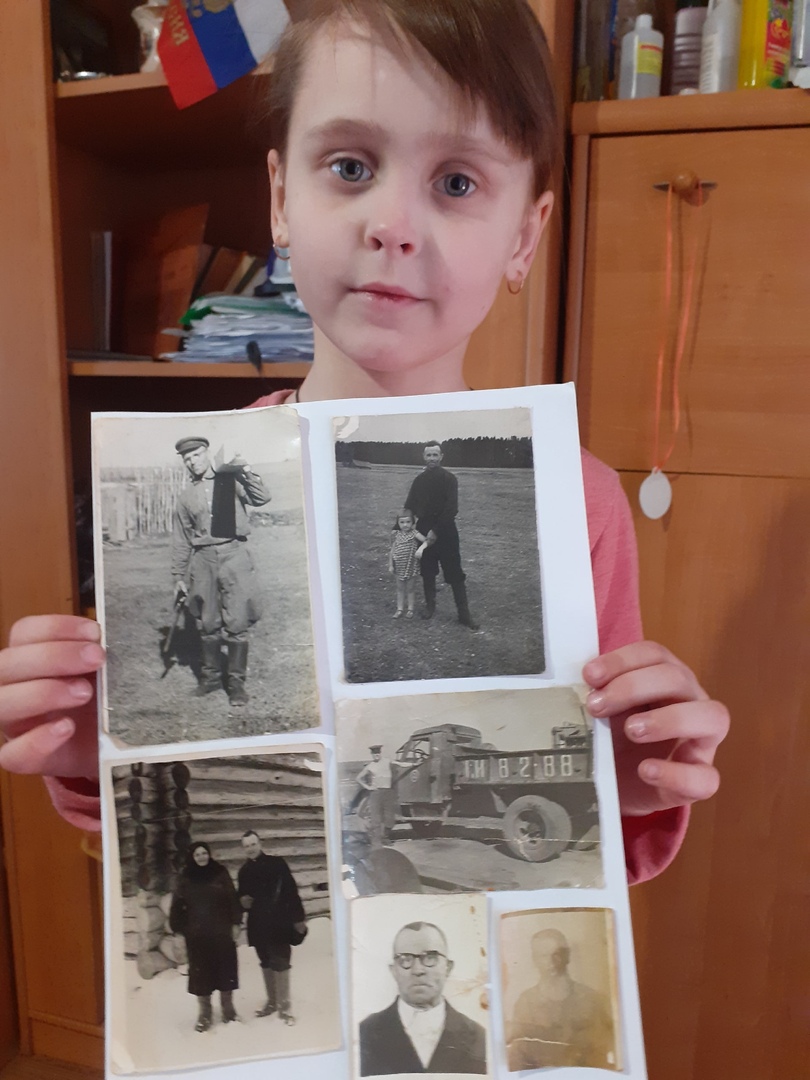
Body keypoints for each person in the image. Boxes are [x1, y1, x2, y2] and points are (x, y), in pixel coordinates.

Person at [0, 0, 729, 889]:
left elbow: (583, 836)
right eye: (350, 166)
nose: (392, 223)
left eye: (456, 183)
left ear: (524, 238)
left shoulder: (578, 499)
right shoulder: (205, 468)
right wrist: (98, 746)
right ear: (280, 198)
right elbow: (170, 831)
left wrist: (631, 776)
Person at [172, 436, 271, 707]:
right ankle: (211, 679)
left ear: (207, 453)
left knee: (237, 621)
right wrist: (178, 576)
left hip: (234, 554)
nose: (192, 462)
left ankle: (236, 684)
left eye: (196, 455)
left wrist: (246, 470)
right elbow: (182, 539)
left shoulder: (229, 480)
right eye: (187, 459)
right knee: (208, 623)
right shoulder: (186, 497)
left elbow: (262, 498)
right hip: (203, 560)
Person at [359, 920, 486, 1075]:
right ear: (394, 971)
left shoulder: (479, 1038)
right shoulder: (364, 1034)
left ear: (448, 967)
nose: (418, 970)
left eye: (430, 957)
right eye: (405, 959)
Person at [506, 928, 615, 1070]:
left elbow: (605, 1049)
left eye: (556, 954)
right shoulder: (526, 1003)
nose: (551, 962)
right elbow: (519, 1055)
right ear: (534, 960)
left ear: (567, 956)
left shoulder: (592, 1000)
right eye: (543, 956)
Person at [168, 841, 242, 1033]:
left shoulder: (220, 872)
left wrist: (236, 922)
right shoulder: (185, 877)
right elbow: (177, 905)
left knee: (226, 971)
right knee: (201, 975)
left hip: (221, 933)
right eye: (197, 854)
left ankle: (228, 1010)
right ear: (192, 857)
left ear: (209, 854)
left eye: (204, 853)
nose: (202, 857)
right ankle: (205, 1014)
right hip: (197, 936)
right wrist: (178, 929)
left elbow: (232, 898)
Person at [404, 442, 478, 629]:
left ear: (441, 457)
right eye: (428, 455)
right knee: (427, 570)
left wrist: (435, 531)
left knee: (455, 573)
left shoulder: (449, 479)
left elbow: (451, 509)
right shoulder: (419, 481)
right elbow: (409, 506)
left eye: (435, 455)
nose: (432, 459)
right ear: (424, 457)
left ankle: (464, 614)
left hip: (446, 532)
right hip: (423, 531)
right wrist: (402, 529)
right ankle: (430, 607)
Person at [237, 830, 306, 1026]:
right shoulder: (244, 872)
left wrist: (298, 918)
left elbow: (291, 891)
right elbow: (241, 897)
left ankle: (284, 1008)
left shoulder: (277, 864)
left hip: (279, 921)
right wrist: (242, 901)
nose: (250, 849)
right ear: (243, 849)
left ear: (260, 844)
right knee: (266, 962)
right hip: (258, 924)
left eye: (253, 844)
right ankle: (272, 1002)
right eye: (246, 846)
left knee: (281, 962)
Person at [356, 744, 399, 847]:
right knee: (376, 818)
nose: (376, 755)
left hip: (388, 792)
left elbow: (401, 764)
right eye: (374, 753)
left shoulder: (387, 761)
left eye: (378, 753)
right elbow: (358, 778)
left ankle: (386, 837)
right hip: (376, 793)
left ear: (380, 753)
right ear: (372, 754)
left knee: (390, 818)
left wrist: (414, 764)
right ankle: (376, 840)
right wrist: (368, 787)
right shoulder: (370, 766)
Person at [388, 508, 428, 619]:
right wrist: (391, 565)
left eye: (408, 522)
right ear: (398, 523)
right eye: (402, 522)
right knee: (400, 588)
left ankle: (410, 609)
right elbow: (392, 551)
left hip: (411, 566)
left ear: (412, 522)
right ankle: (399, 609)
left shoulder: (415, 534)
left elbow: (426, 540)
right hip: (399, 566)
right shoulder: (396, 535)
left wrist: (421, 549)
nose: (405, 525)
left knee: (410, 589)